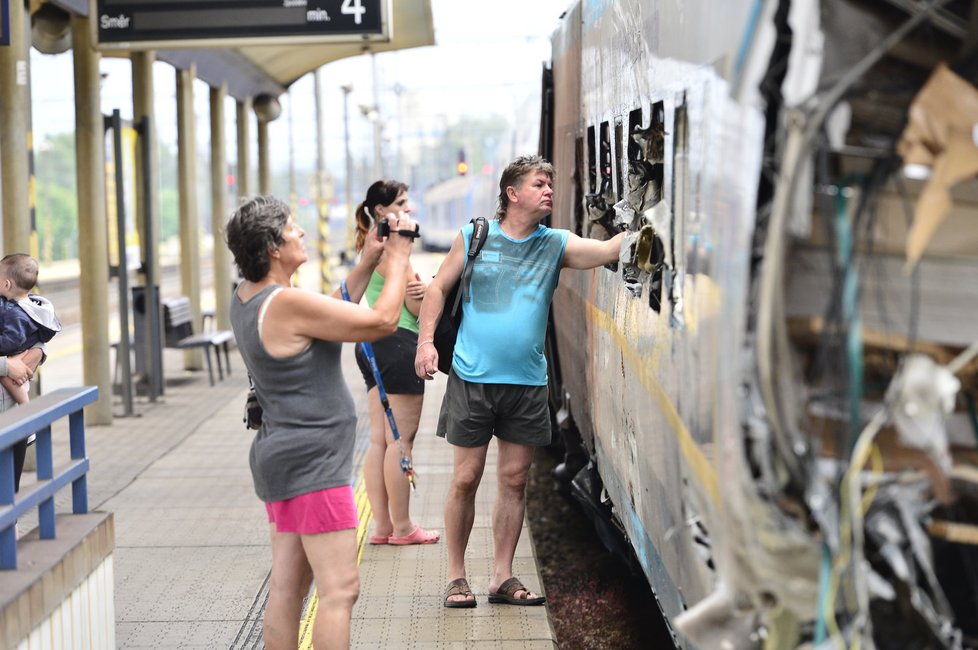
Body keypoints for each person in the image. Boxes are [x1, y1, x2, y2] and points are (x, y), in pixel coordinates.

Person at [413, 155, 626, 608]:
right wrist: (425, 343)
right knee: (466, 478)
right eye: (539, 183)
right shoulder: (475, 237)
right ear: (512, 193)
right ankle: (456, 577)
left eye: (551, 182)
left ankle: (501, 577)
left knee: (514, 479)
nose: (549, 190)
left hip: (527, 384)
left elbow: (609, 251)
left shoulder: (556, 244)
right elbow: (436, 289)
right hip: (472, 379)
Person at [225, 195, 417, 650]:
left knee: (288, 589)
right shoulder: (286, 302)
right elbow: (381, 320)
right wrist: (399, 256)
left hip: (283, 456)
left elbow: (330, 311)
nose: (302, 233)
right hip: (312, 463)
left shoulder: (250, 298)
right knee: (340, 589)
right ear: (273, 246)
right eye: (293, 228)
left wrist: (369, 258)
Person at [353, 180, 439, 546]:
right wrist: (428, 290)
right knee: (400, 442)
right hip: (399, 343)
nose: (409, 209)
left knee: (379, 441)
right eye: (401, 203)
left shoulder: (370, 247)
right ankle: (404, 528)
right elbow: (415, 310)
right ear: (380, 211)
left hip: (371, 346)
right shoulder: (396, 253)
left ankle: (383, 527)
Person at [0, 253, 61, 496]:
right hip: (12, 412)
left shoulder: (13, 306)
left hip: (12, 415)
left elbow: (26, 339)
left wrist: (37, 351)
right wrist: (6, 366)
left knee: (8, 495)